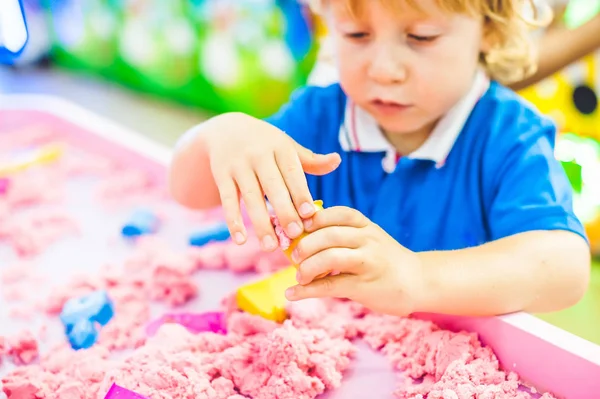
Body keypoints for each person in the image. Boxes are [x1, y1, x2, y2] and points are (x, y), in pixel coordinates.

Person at [169, 0, 591, 317]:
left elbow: (564, 266)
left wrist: (416, 277)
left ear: (490, 31)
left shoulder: (508, 135)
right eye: (356, 35)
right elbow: (189, 193)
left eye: (421, 37)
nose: (384, 69)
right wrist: (217, 136)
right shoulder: (319, 117)